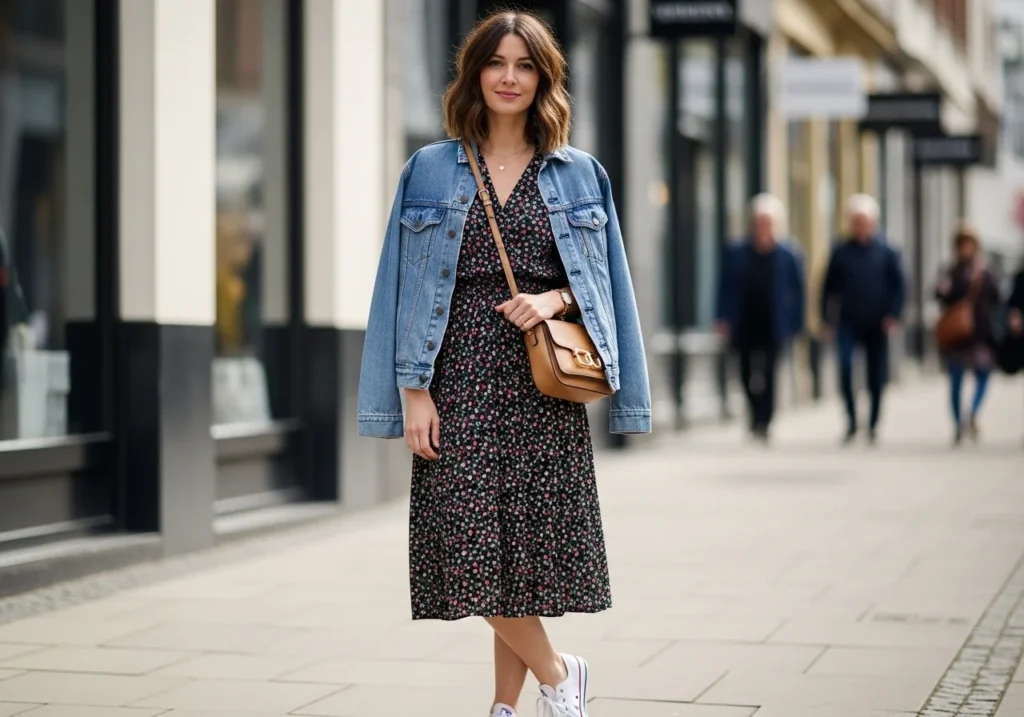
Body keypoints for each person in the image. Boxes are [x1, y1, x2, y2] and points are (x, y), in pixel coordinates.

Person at [356, 11, 651, 717]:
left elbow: (609, 288)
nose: (510, 77)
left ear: (544, 76)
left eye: (525, 65)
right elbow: (397, 287)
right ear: (475, 73)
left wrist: (551, 298)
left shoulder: (580, 175)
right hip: (454, 378)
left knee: (516, 561)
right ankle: (560, 674)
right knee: (465, 548)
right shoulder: (430, 168)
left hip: (540, 385)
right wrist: (410, 392)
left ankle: (505, 708)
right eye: (497, 63)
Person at [715, 193, 805, 442]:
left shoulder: (789, 254)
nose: (763, 227)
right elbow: (725, 287)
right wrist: (722, 317)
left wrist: (797, 324)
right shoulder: (737, 252)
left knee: (769, 374)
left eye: (768, 222)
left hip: (774, 324)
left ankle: (765, 420)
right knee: (744, 373)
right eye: (759, 222)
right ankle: (755, 412)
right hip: (744, 323)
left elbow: (798, 292)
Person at [821, 194, 906, 445]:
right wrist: (827, 319)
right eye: (855, 221)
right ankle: (851, 420)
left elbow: (899, 286)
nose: (860, 225)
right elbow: (828, 287)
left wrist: (893, 314)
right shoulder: (841, 252)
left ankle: (873, 423)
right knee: (845, 368)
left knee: (875, 374)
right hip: (847, 320)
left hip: (877, 322)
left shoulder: (886, 251)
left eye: (864, 221)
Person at [934, 225, 1002, 445]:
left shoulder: (984, 271)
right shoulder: (950, 271)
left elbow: (997, 298)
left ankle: (972, 412)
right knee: (955, 380)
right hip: (957, 335)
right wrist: (942, 290)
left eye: (969, 244)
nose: (966, 248)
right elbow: (939, 296)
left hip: (979, 333)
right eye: (962, 244)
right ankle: (958, 423)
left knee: (983, 373)